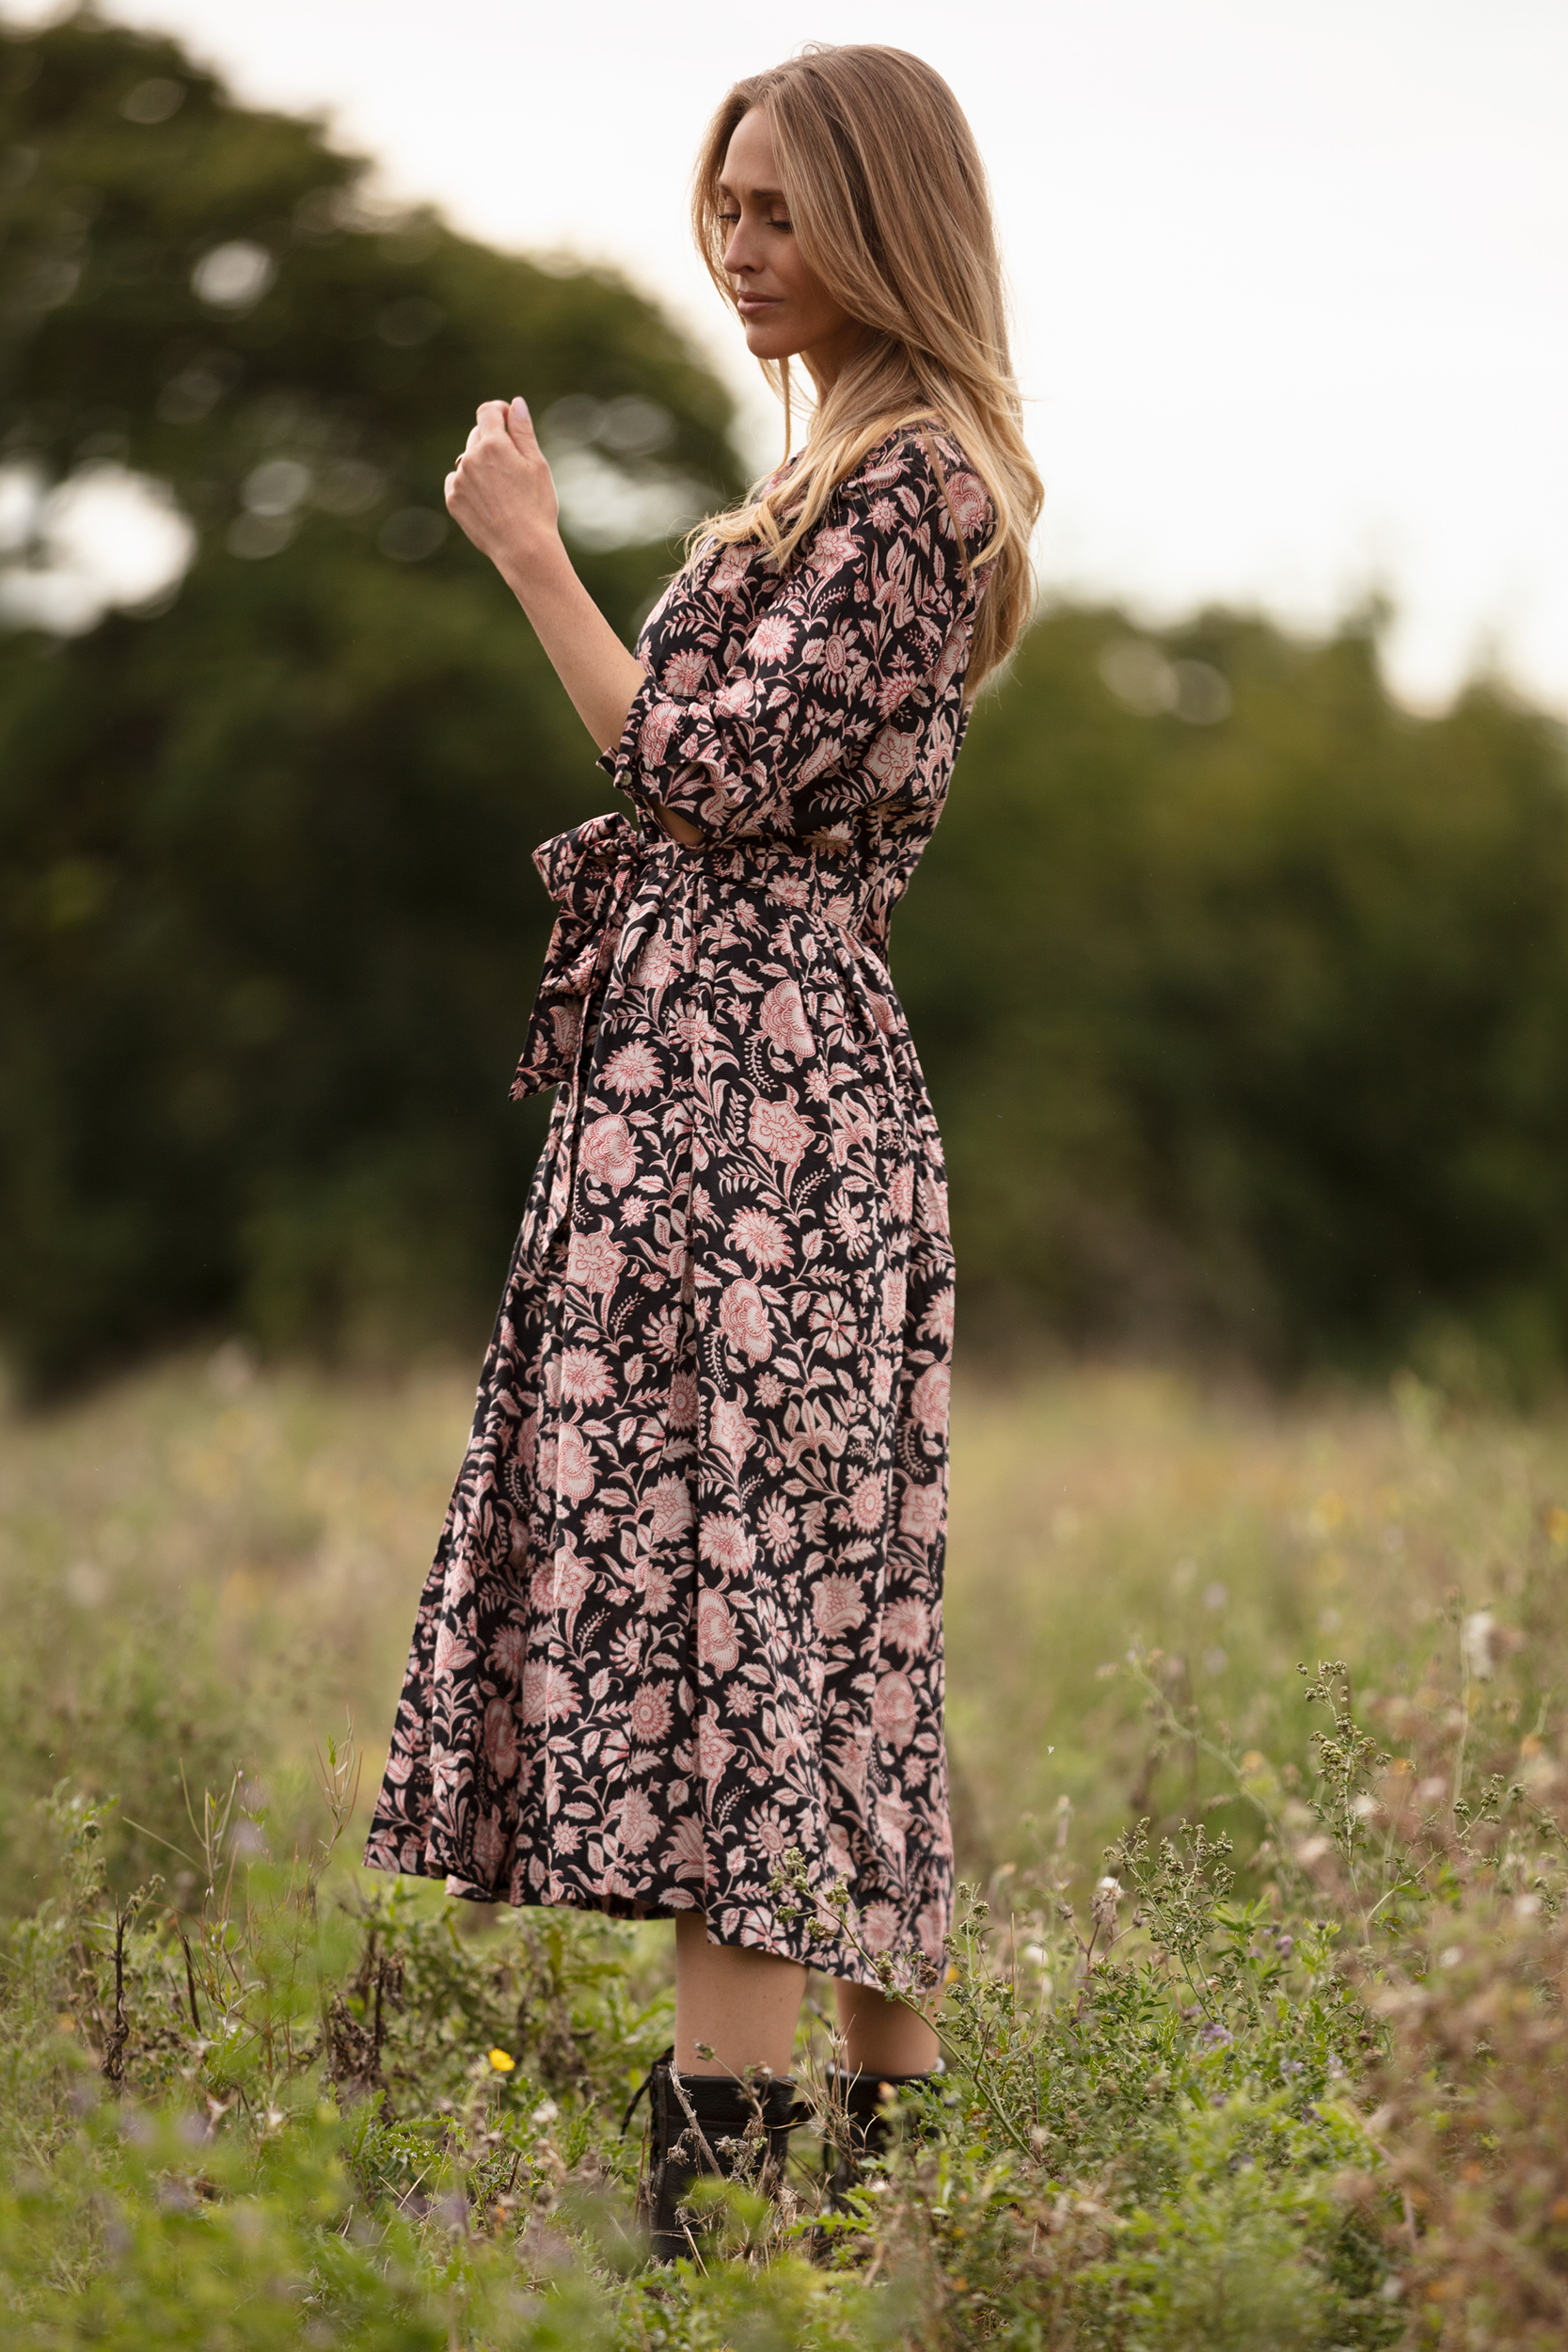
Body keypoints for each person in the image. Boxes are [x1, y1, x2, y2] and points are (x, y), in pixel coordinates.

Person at [363, 41, 1043, 2256]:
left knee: (751, 1610)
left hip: (760, 1111)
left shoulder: (921, 484)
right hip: (701, 1087)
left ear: (887, 216)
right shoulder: (836, 475)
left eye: (780, 212)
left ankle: (730, 2240)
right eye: (723, 211)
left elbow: (706, 771)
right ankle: (858, 2219)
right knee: (794, 1604)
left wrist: (531, 558)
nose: (740, 252)